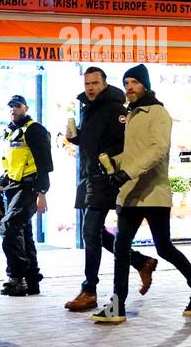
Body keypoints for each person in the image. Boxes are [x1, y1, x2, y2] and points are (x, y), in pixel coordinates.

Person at [93, 64, 191, 323]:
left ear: (145, 85)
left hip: (153, 192)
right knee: (121, 247)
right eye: (126, 84)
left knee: (164, 248)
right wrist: (112, 163)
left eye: (134, 82)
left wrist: (127, 172)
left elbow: (158, 150)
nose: (129, 88)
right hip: (132, 193)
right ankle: (117, 305)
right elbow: (136, 153)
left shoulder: (158, 113)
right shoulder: (132, 114)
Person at [65, 67, 156, 312]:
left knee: (91, 231)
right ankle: (141, 261)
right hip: (88, 177)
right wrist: (77, 139)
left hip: (105, 178)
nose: (90, 88)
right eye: (87, 84)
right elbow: (95, 140)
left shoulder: (115, 109)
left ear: (105, 84)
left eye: (95, 83)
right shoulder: (88, 109)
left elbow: (123, 144)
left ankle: (89, 290)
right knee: (93, 233)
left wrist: (110, 165)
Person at [0, 94, 53, 296]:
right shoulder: (12, 132)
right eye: (10, 106)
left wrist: (42, 193)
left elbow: (44, 163)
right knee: (23, 233)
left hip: (29, 187)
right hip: (13, 187)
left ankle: (16, 276)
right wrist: (2, 184)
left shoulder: (35, 130)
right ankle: (31, 281)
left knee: (9, 227)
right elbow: (11, 162)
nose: (13, 110)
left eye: (17, 106)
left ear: (26, 108)